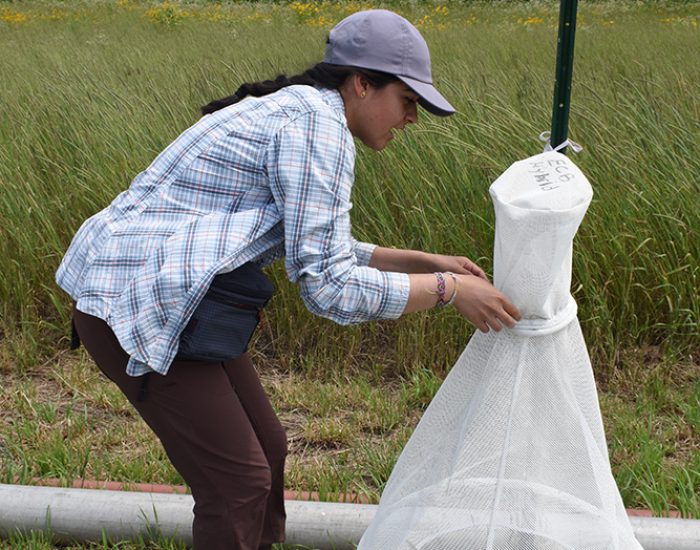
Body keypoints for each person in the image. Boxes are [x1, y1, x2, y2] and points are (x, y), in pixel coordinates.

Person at [56, 9, 521, 550]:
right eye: (408, 101)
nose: (412, 119)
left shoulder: (310, 114)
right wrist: (451, 292)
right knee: (237, 484)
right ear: (362, 83)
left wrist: (425, 263)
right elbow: (327, 287)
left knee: (269, 451)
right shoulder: (315, 129)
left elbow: (324, 250)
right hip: (135, 305)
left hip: (176, 295)